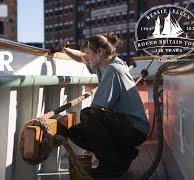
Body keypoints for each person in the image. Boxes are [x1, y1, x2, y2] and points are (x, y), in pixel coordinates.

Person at [61, 33, 150, 178]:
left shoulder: (113, 69)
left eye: (89, 53)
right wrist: (66, 50)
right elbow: (82, 57)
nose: (87, 57)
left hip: (134, 128)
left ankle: (110, 167)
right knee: (75, 132)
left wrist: (63, 129)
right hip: (126, 126)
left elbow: (96, 108)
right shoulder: (102, 65)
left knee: (87, 115)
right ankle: (123, 156)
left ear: (100, 53)